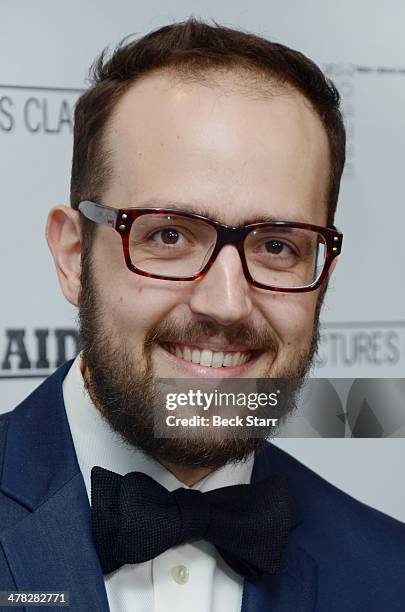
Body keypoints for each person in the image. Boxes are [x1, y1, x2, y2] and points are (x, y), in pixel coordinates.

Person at [0, 17, 404, 612]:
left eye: (276, 247)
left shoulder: (388, 572)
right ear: (72, 258)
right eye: (168, 234)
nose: (226, 303)